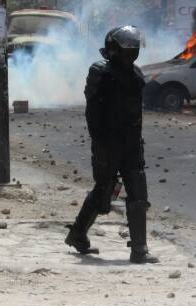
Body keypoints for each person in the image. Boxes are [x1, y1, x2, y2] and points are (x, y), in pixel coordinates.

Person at [65, 26, 159, 264]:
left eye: (133, 49)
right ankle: (78, 234)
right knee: (103, 193)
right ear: (114, 50)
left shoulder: (136, 75)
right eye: (127, 49)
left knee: (138, 195)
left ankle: (139, 249)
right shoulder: (100, 72)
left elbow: (136, 114)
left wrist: (136, 142)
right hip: (108, 144)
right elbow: (93, 113)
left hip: (132, 145)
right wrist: (101, 142)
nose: (132, 54)